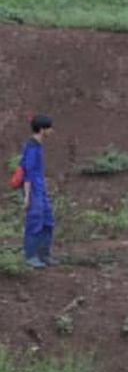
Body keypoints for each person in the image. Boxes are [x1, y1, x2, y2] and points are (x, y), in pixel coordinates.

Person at [20, 114, 55, 269]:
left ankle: (44, 254)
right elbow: (27, 173)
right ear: (42, 130)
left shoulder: (38, 145)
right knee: (34, 222)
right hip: (33, 189)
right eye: (49, 128)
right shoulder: (32, 147)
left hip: (41, 189)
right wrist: (27, 197)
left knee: (48, 221)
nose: (51, 131)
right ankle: (30, 256)